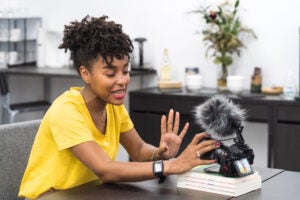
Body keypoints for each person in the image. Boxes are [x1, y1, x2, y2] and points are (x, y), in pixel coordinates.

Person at [18, 15, 219, 199]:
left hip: (89, 193)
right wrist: (170, 165)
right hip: (50, 196)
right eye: (111, 74)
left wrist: (160, 153)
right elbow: (105, 170)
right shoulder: (66, 110)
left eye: (125, 71)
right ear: (85, 74)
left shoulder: (112, 106)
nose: (122, 80)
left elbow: (139, 149)